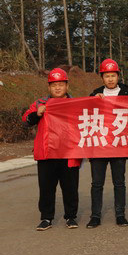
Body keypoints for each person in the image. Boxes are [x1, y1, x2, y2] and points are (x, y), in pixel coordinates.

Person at [22, 68, 81, 231]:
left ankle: (71, 217)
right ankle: (46, 218)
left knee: (70, 187)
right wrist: (37, 114)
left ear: (67, 86)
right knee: (46, 188)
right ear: (49, 87)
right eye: (54, 85)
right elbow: (26, 120)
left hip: (69, 153)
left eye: (61, 84)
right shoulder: (40, 103)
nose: (57, 88)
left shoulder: (76, 103)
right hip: (47, 153)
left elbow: (91, 115)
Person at [86, 59, 128, 228]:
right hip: (99, 145)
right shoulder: (95, 94)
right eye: (107, 76)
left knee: (119, 182)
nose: (110, 79)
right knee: (97, 183)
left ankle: (120, 214)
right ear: (102, 78)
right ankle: (95, 216)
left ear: (118, 76)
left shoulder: (127, 93)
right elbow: (85, 114)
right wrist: (93, 101)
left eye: (113, 75)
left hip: (119, 144)